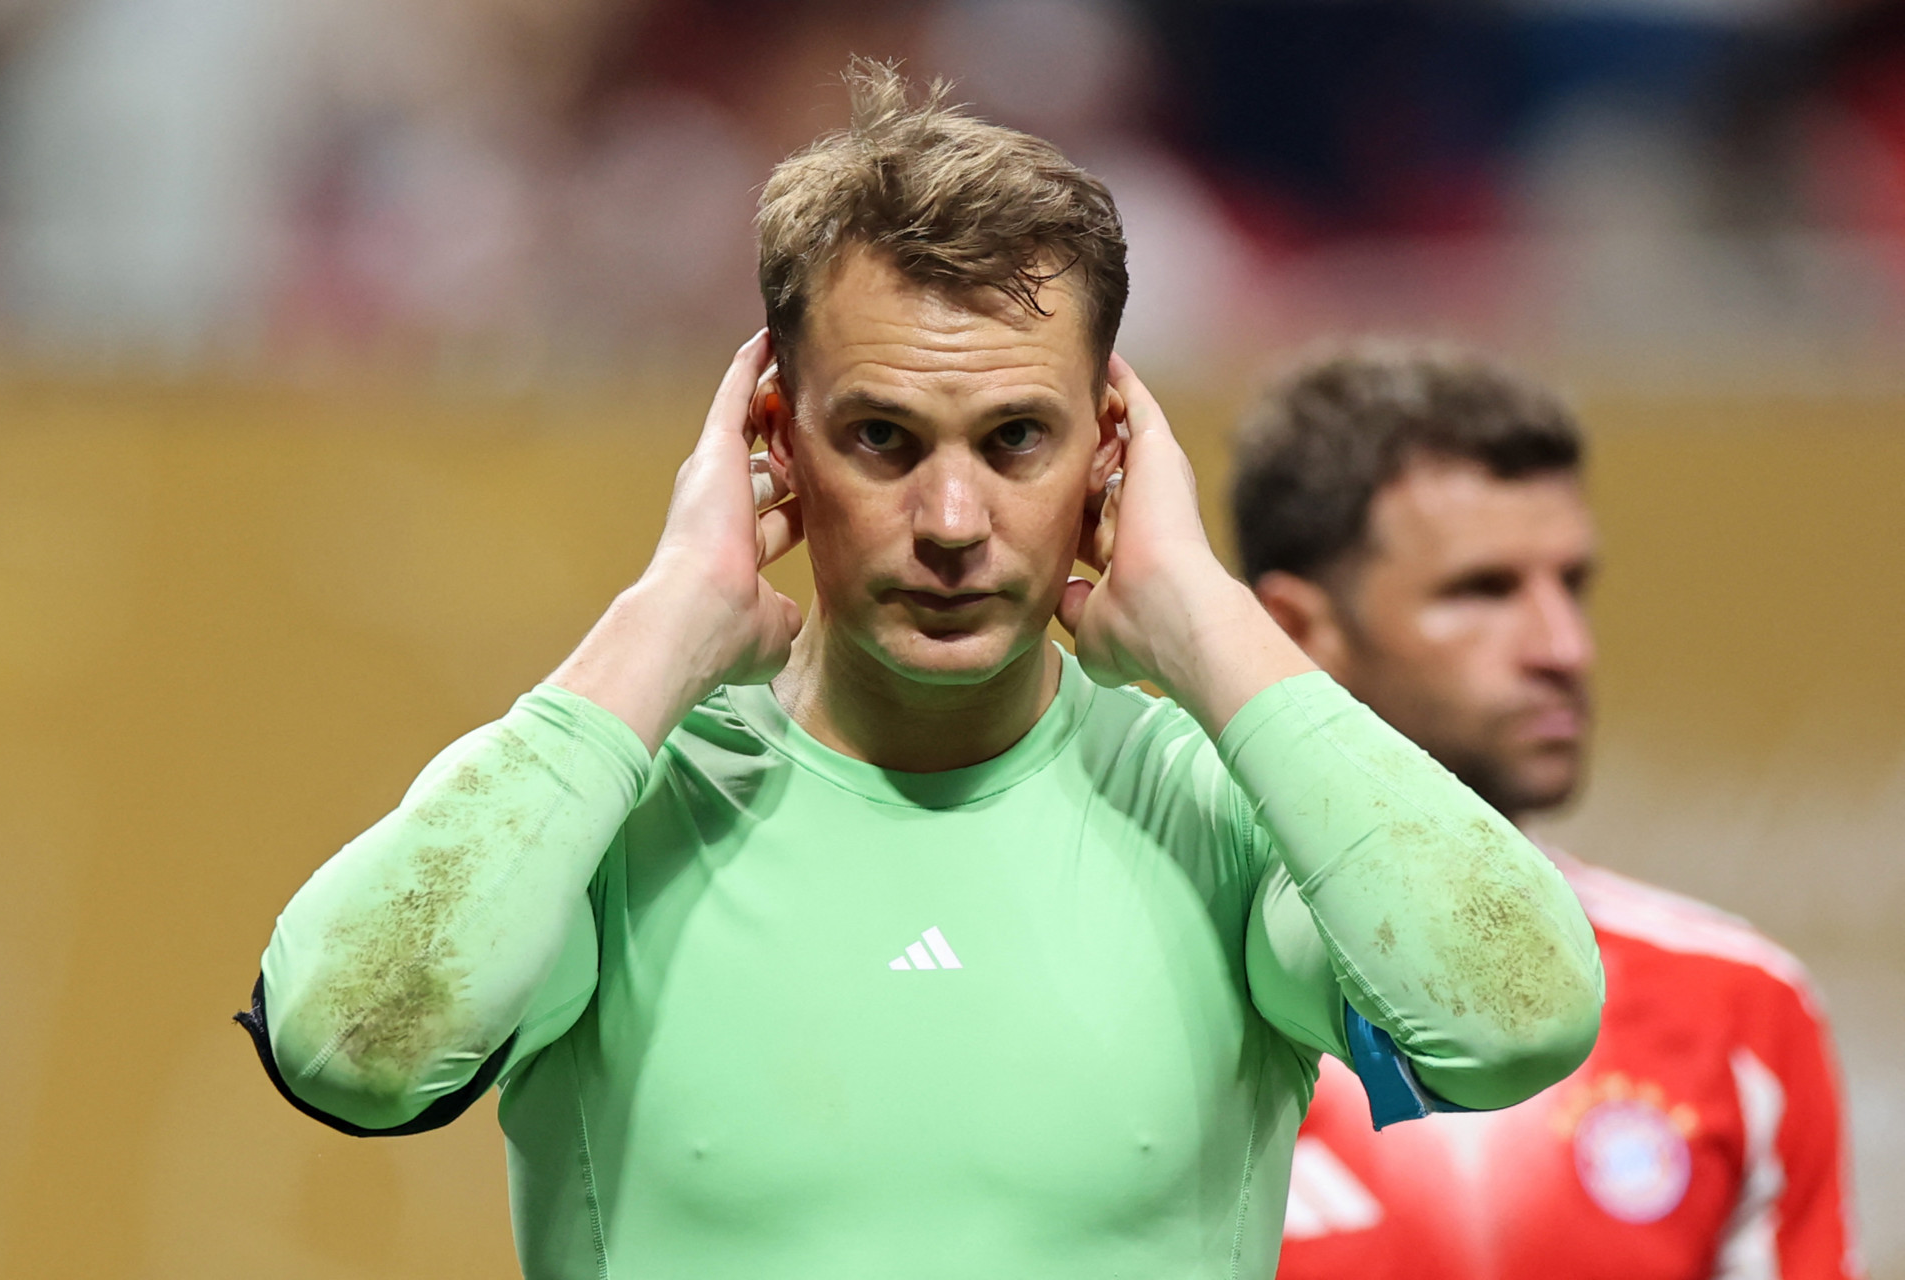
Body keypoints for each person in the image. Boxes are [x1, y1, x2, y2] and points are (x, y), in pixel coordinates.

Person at [238, 66, 1602, 1279]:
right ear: (774, 437)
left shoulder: (1217, 813)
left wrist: (1202, 615)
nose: (952, 524)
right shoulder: (614, 810)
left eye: (1016, 439)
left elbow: (1522, 1020)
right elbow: (350, 1048)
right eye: (884, 438)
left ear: (1110, 452)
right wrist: (665, 614)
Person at [1229, 344, 1862, 1280]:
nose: (1562, 646)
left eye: (1571, 586)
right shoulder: (1162, 990)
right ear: (1295, 631)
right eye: (1482, 590)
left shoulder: (1737, 1008)